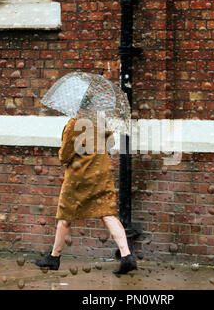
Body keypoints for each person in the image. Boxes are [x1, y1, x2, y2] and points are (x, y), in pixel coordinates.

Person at [33, 117, 137, 275]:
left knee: (65, 215)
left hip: (79, 176)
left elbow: (64, 156)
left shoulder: (74, 123)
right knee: (108, 214)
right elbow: (111, 144)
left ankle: (54, 257)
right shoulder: (100, 120)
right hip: (101, 173)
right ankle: (127, 256)